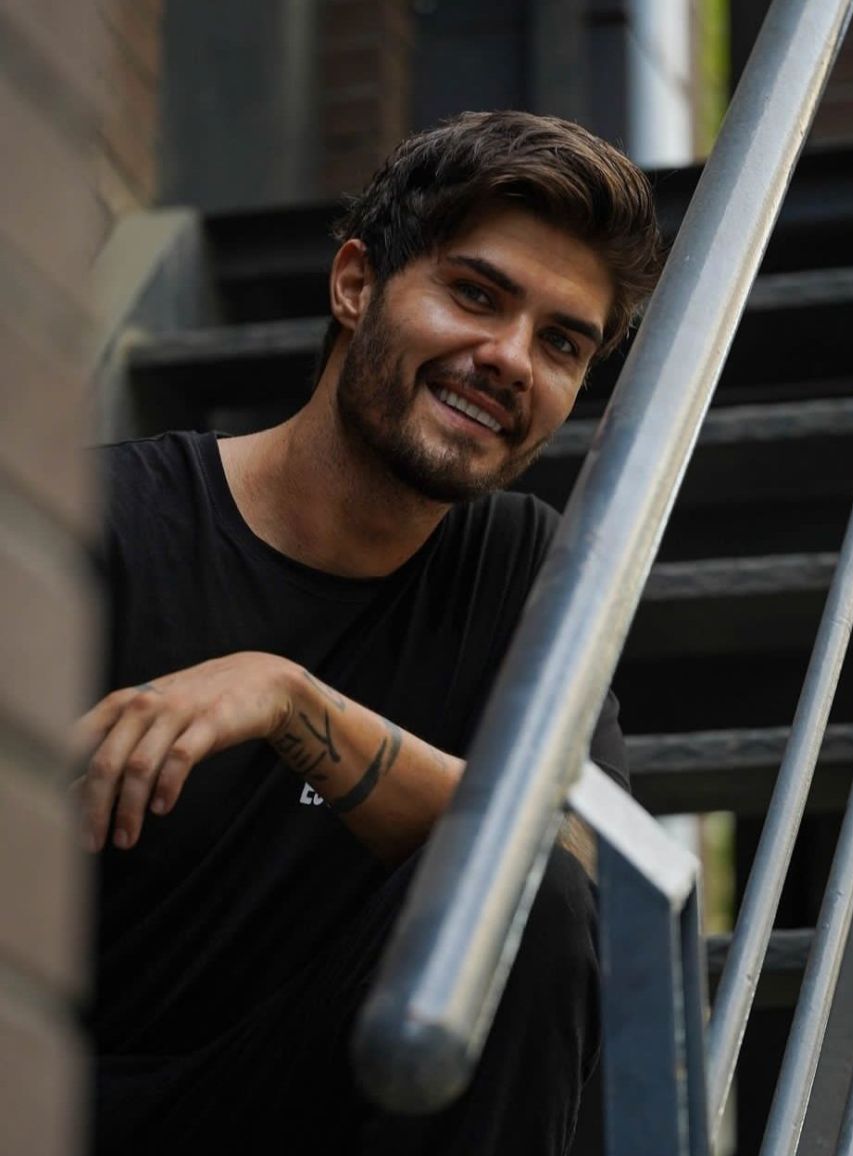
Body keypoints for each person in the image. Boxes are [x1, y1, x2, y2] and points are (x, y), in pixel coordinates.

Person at [79, 110, 664, 1155]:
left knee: (529, 902)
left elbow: (595, 866)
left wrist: (290, 702)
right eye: (475, 295)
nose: (509, 358)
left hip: (316, 1105)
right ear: (355, 284)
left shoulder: (522, 569)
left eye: (561, 342)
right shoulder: (104, 524)